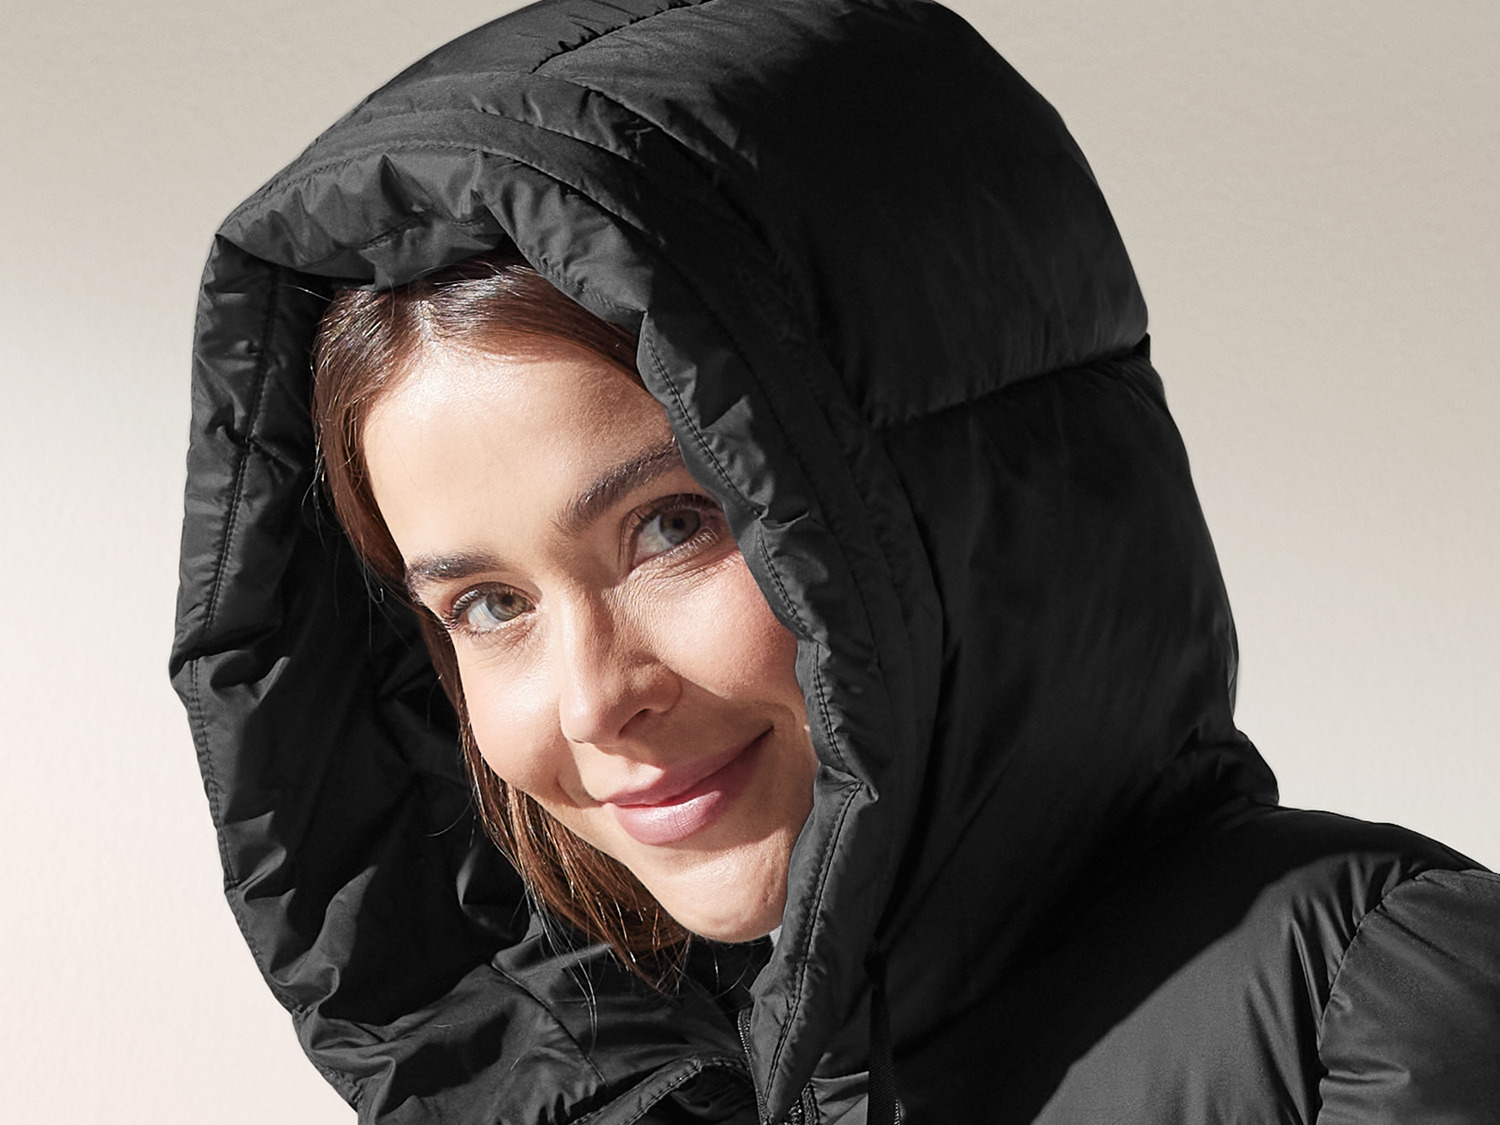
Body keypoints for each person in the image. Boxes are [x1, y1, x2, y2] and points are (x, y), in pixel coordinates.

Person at [171, 1, 1500, 1121]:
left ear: (945, 501)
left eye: (674, 527)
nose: (592, 700)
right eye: (488, 603)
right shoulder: (642, 1083)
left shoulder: (1364, 1015)